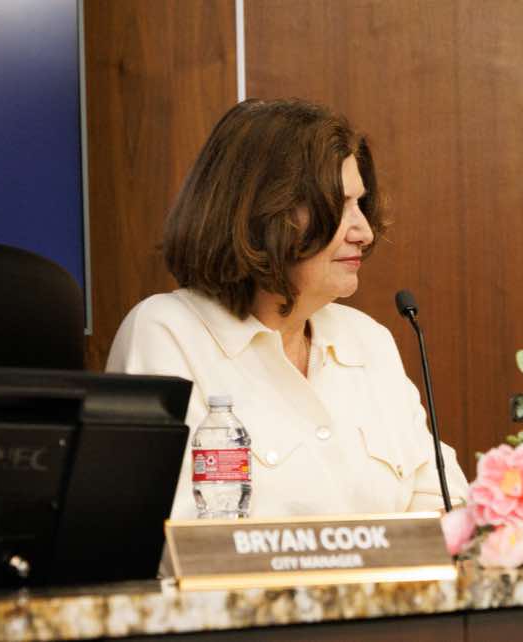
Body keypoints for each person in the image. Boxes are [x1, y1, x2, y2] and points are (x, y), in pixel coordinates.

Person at [107, 98, 468, 519]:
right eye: (338, 206)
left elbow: (444, 503)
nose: (365, 232)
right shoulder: (166, 333)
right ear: (262, 213)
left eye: (360, 205)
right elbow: (173, 531)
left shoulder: (369, 339)